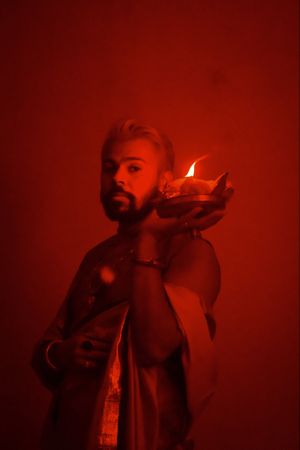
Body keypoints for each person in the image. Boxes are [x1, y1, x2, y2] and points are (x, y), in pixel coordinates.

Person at [31, 119, 225, 450]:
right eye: (110, 168)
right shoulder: (96, 256)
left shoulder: (192, 251)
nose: (118, 177)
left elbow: (153, 347)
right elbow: (45, 354)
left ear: (165, 182)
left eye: (134, 168)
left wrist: (150, 239)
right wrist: (62, 354)